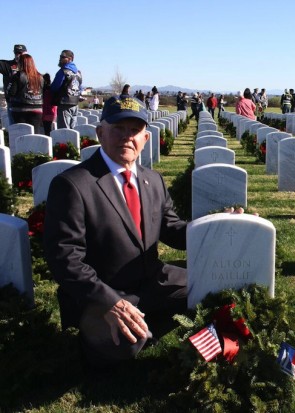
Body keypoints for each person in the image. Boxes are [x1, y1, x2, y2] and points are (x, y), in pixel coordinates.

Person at [44, 96, 188, 368]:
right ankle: (100, 330)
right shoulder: (73, 185)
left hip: (151, 280)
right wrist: (108, 302)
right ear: (100, 133)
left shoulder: (153, 180)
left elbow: (172, 227)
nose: (127, 137)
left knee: (207, 288)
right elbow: (65, 257)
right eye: (118, 129)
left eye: (134, 130)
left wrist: (217, 225)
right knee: (123, 348)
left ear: (145, 138)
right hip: (105, 290)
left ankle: (145, 321)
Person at [7, 53, 44, 133]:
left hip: (20, 109)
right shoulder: (40, 77)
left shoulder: (17, 76)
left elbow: (11, 92)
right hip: (37, 109)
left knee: (21, 135)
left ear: (21, 63)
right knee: (35, 134)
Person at [50, 49, 82, 129]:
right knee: (73, 130)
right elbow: (80, 88)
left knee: (64, 131)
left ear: (70, 59)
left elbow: (55, 86)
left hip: (64, 103)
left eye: (62, 57)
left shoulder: (63, 71)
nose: (60, 58)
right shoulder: (78, 73)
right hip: (75, 104)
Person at [0, 44, 28, 125]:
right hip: (13, 103)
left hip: (28, 102)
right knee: (15, 129)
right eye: (16, 53)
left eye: (21, 53)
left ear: (26, 53)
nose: (18, 55)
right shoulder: (8, 65)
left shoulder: (30, 66)